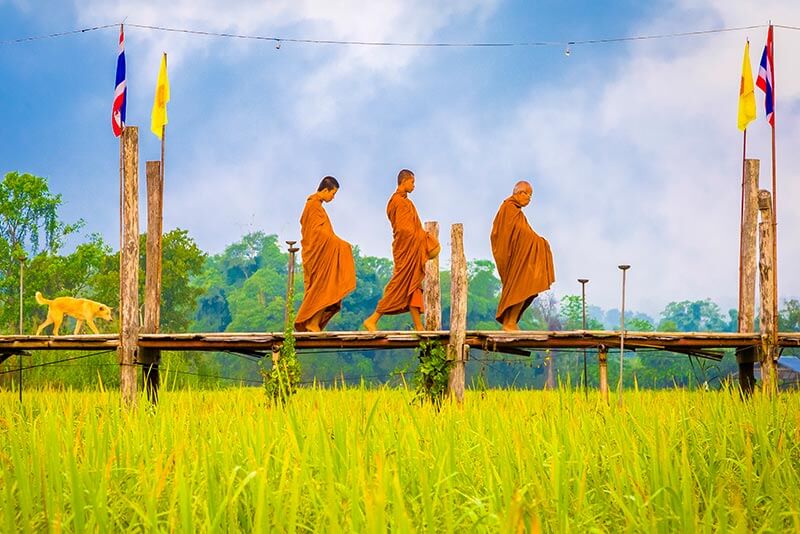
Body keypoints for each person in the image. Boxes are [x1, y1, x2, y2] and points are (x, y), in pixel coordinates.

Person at [363, 169, 439, 331]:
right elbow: (404, 230)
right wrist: (421, 238)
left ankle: (419, 326)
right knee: (398, 284)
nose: (414, 186)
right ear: (404, 181)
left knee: (414, 286)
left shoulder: (406, 202)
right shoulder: (398, 202)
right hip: (405, 249)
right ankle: (372, 319)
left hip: (411, 249)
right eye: (412, 182)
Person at [490, 180, 555, 331]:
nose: (529, 199)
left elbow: (525, 233)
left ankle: (511, 321)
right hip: (515, 259)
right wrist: (537, 241)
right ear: (520, 193)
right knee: (520, 287)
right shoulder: (508, 208)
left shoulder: (517, 211)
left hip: (523, 258)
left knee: (526, 287)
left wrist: (539, 242)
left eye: (531, 196)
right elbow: (507, 234)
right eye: (528, 195)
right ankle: (509, 322)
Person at [294, 176, 356, 332]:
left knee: (329, 288)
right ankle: (309, 322)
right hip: (317, 255)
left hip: (323, 255)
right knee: (323, 287)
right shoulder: (313, 206)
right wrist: (339, 244)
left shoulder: (317, 205)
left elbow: (323, 232)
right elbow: (316, 233)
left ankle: (313, 322)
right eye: (333, 194)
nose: (333, 198)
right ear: (325, 190)